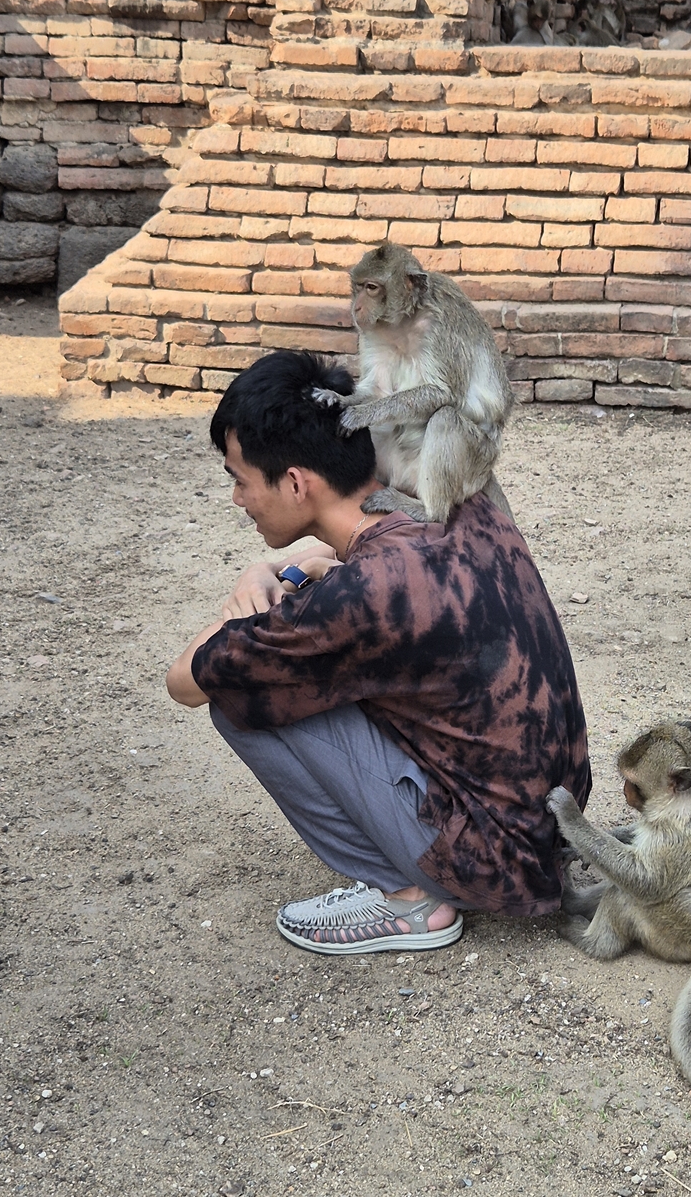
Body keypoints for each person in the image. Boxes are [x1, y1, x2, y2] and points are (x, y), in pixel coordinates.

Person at [166, 349, 591, 955]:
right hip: (551, 821)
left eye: (240, 480)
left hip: (491, 863)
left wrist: (251, 594)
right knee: (306, 674)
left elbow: (184, 681)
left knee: (238, 697)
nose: (238, 499)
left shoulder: (358, 597)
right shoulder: (451, 501)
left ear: (296, 483)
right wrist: (282, 568)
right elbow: (361, 563)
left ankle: (409, 899)